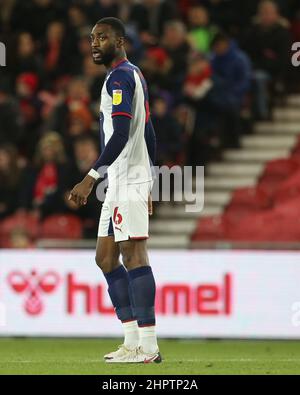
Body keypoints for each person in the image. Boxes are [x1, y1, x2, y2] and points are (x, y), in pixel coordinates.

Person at [68, 17, 160, 364]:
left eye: (102, 37)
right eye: (92, 38)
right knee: (105, 258)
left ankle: (148, 346)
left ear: (120, 41)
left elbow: (121, 135)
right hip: (122, 180)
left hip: (125, 178)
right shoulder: (127, 75)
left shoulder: (121, 77)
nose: (95, 43)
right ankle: (132, 340)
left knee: (134, 256)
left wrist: (90, 178)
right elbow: (148, 130)